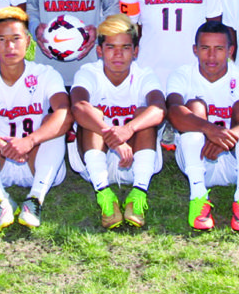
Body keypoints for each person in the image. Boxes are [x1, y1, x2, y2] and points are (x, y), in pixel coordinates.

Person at [0, 8, 71, 231]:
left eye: (16, 39)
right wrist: (2, 145)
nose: (9, 46)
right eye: (2, 40)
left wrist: (29, 141)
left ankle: (35, 199)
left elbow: (65, 112)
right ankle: (0, 200)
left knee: (55, 120)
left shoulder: (46, 74)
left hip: (36, 161)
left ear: (27, 41)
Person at [167, 21, 239, 232]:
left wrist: (226, 137)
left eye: (219, 49)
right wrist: (210, 130)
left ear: (230, 51)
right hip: (197, 160)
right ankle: (198, 197)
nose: (211, 56)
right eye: (205, 48)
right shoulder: (182, 74)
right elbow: (173, 111)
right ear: (195, 50)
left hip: (236, 162)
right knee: (194, 106)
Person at [68, 14, 166, 228]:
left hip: (136, 159)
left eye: (125, 48)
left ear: (136, 51)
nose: (118, 54)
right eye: (111, 47)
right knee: (92, 113)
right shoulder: (88, 73)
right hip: (95, 160)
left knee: (145, 113)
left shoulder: (144, 75)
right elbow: (78, 106)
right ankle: (104, 195)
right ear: (99, 51)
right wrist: (110, 133)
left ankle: (138, 194)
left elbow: (159, 109)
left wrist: (128, 130)